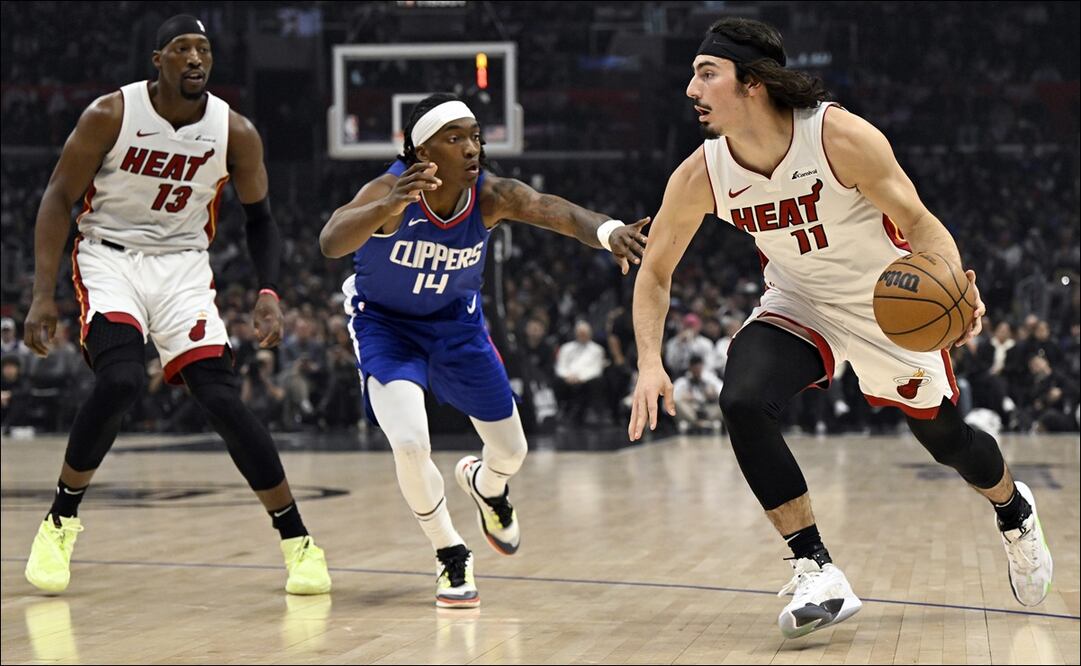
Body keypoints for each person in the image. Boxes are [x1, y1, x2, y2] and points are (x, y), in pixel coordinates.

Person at [628, 17, 1053, 638]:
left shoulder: (838, 136)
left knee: (946, 441)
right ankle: (816, 566)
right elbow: (656, 270)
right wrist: (648, 362)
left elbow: (919, 219)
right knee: (743, 399)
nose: (690, 88)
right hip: (801, 300)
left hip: (890, 304)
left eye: (706, 73)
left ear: (752, 84)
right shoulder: (703, 174)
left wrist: (954, 281)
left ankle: (1013, 512)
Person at [21, 15, 330, 596]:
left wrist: (269, 291)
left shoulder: (235, 131)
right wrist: (43, 293)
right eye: (183, 49)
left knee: (220, 400)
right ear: (157, 60)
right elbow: (59, 197)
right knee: (118, 383)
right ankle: (60, 520)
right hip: (109, 257)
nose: (196, 59)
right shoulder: (110, 115)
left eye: (205, 50)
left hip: (183, 264)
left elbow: (261, 220)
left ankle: (298, 542)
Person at [320, 93, 649, 608]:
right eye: (455, 138)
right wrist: (387, 207)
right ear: (420, 148)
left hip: (457, 329)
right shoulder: (389, 190)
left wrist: (609, 233)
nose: (472, 147)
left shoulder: (491, 196)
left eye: (475, 136)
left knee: (512, 452)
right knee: (409, 444)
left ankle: (486, 484)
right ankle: (450, 551)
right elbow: (331, 241)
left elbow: (554, 211)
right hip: (387, 328)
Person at [554, 320, 608, 424]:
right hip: (568, 378)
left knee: (598, 382)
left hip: (587, 379)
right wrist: (568, 376)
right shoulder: (566, 348)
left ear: (590, 334)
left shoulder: (597, 349)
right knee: (556, 381)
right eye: (580, 333)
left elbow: (596, 369)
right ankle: (561, 412)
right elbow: (560, 366)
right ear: (575, 333)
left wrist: (580, 378)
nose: (582, 335)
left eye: (585, 333)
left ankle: (596, 413)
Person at [672, 354, 723, 434]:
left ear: (702, 366)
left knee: (723, 404)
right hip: (692, 410)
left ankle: (698, 423)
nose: (696, 370)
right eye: (694, 368)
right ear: (690, 367)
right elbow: (672, 398)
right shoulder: (683, 381)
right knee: (677, 403)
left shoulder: (711, 378)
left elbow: (722, 393)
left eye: (698, 367)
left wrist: (713, 395)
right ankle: (699, 423)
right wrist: (683, 397)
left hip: (708, 409)